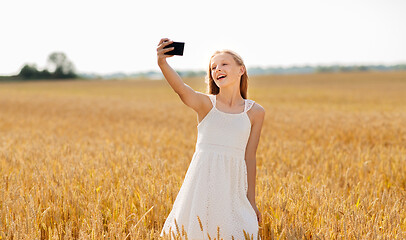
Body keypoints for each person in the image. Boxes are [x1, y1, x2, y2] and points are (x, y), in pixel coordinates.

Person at [157, 38, 264, 239]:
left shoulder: (256, 112)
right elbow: (181, 89)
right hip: (202, 183)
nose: (217, 69)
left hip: (233, 187)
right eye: (213, 67)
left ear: (241, 69)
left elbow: (250, 157)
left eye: (224, 64)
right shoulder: (206, 105)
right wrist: (162, 63)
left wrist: (252, 201)